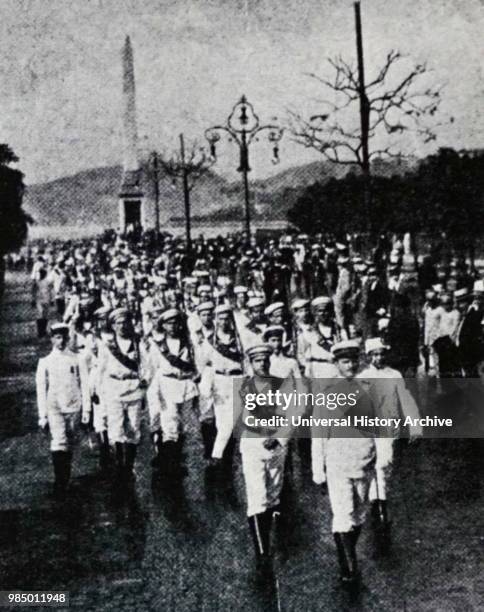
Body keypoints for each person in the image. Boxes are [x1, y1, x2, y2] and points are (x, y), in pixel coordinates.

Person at [315, 340, 377, 587]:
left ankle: (347, 554)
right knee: (343, 514)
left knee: (359, 514)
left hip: (364, 460)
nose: (349, 365)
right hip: (338, 461)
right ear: (336, 364)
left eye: (353, 360)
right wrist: (318, 470)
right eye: (344, 361)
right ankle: (349, 567)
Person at [358, 338, 422, 539]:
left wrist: (415, 425)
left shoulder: (394, 375)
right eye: (374, 354)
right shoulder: (363, 377)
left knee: (385, 463)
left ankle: (379, 500)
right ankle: (379, 505)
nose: (379, 358)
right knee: (375, 464)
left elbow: (406, 399)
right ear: (369, 356)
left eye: (381, 353)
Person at [237, 344, 291, 579]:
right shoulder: (245, 387)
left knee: (273, 495)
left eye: (265, 361)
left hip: (277, 449)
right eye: (257, 361)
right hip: (253, 446)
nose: (262, 365)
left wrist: (278, 439)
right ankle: (262, 553)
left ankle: (268, 537)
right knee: (257, 498)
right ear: (251, 363)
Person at [36, 323, 90, 499]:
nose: (60, 341)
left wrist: (86, 411)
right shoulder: (45, 362)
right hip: (55, 407)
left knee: (70, 443)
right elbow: (41, 389)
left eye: (63, 338)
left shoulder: (77, 359)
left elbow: (85, 385)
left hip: (74, 405)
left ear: (68, 338)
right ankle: (60, 481)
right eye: (57, 337)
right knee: (58, 441)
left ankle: (65, 477)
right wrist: (42, 415)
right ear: (52, 339)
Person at [96, 308, 149, 482]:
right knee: (116, 429)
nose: (122, 326)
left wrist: (144, 383)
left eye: (125, 322)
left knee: (133, 429)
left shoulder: (138, 344)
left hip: (133, 388)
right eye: (118, 323)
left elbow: (148, 367)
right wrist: (99, 391)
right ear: (112, 326)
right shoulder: (107, 346)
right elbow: (101, 370)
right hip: (114, 388)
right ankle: (120, 466)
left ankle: (129, 466)